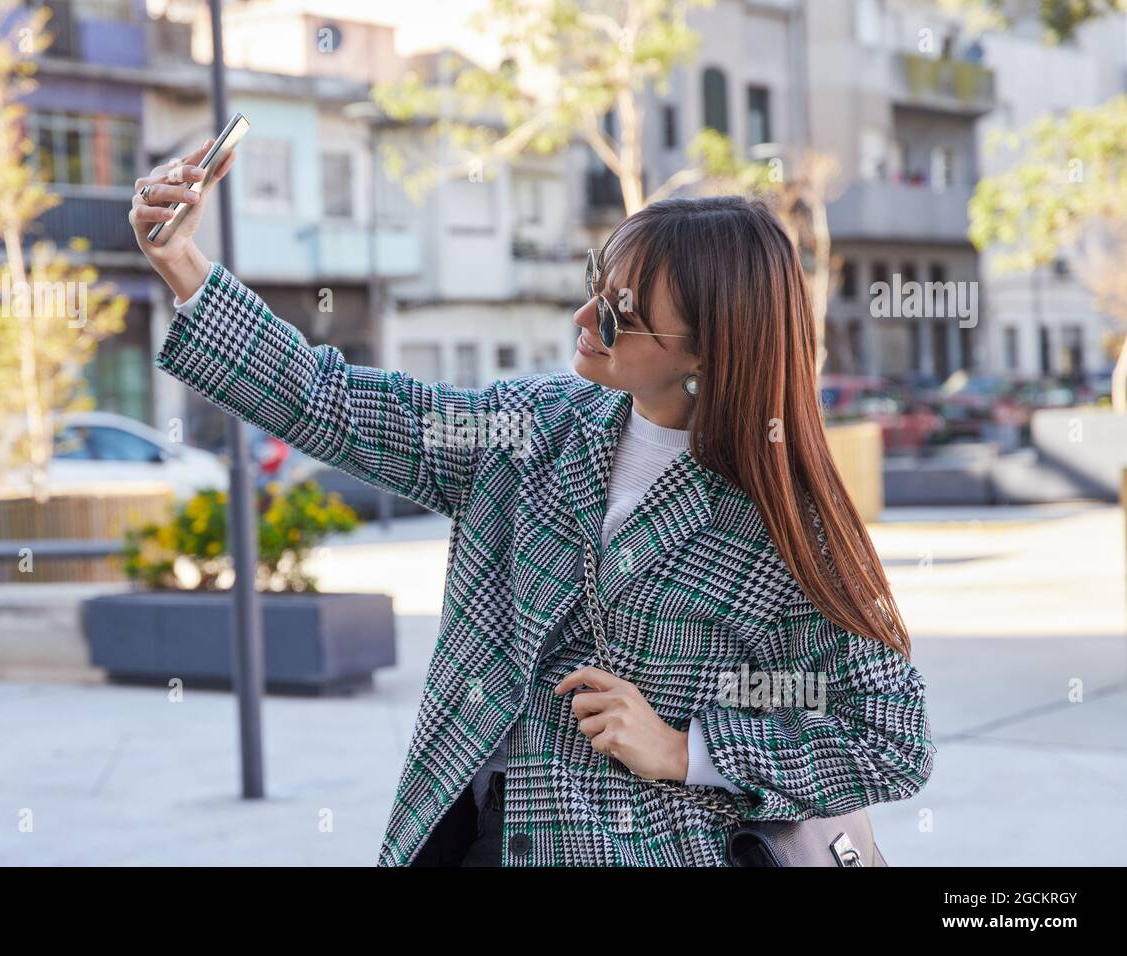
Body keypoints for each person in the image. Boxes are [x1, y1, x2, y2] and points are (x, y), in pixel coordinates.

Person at [129, 139, 934, 867]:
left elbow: (891, 737)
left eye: (621, 315)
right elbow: (331, 402)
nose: (586, 319)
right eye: (597, 285)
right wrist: (185, 265)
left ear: (708, 351)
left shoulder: (778, 523)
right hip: (468, 831)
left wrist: (687, 748)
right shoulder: (532, 427)